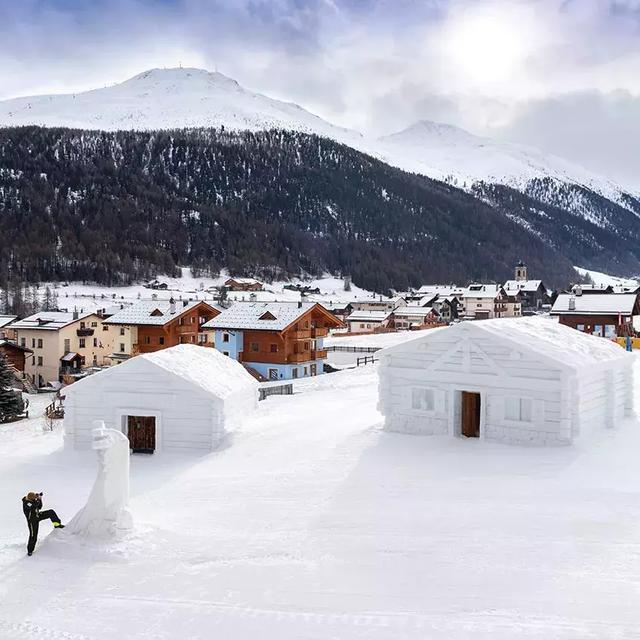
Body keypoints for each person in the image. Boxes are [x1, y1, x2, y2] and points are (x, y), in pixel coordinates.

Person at [22, 491, 65, 556]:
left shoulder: (32, 500)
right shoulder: (26, 503)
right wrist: (38, 499)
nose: (35, 498)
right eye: (34, 497)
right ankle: (30, 551)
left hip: (37, 515)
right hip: (32, 521)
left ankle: (57, 524)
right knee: (33, 536)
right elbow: (33, 506)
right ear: (30, 498)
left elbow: (39, 507)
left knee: (51, 512)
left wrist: (40, 499)